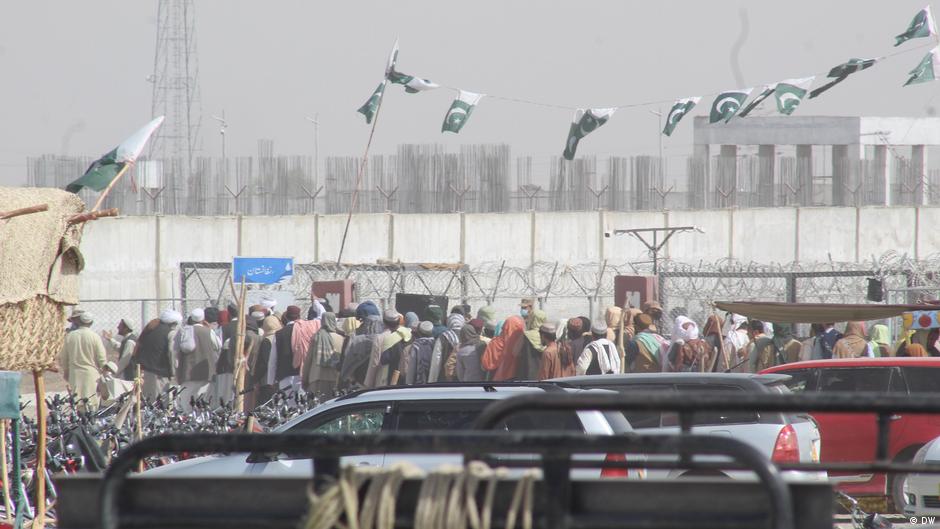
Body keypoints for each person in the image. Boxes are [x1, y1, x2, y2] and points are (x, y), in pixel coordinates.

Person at [59, 311, 108, 411]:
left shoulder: (70, 336)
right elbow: (102, 358)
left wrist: (66, 371)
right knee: (92, 404)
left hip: (75, 374)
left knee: (78, 404)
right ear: (91, 323)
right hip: (91, 375)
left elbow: (63, 357)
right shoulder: (95, 337)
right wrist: (105, 371)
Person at [176, 309, 219, 412]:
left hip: (188, 371)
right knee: (202, 401)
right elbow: (218, 345)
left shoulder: (184, 331)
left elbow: (176, 350)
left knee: (187, 402)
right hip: (206, 372)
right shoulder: (209, 331)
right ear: (203, 319)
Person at [134, 309, 181, 400]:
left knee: (148, 400)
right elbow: (172, 354)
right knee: (160, 402)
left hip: (146, 370)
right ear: (174, 323)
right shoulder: (170, 333)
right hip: (159, 373)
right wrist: (173, 372)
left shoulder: (153, 329)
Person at [339, 313, 385, 389]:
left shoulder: (357, 340)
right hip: (378, 382)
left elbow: (348, 361)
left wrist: (351, 378)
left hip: (358, 382)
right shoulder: (384, 340)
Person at [303, 312, 343, 396]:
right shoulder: (341, 338)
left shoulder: (317, 337)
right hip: (335, 379)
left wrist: (304, 379)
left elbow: (308, 361)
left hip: (317, 378)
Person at [251, 316, 283, 405]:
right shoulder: (281, 337)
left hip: (267, 382)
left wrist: (256, 380)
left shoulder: (266, 341)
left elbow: (264, 363)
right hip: (280, 380)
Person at [485, 316, 526, 381]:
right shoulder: (523, 344)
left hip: (495, 379)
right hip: (517, 379)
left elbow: (486, 363)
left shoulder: (495, 343)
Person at [274, 306, 303, 393]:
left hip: (284, 376)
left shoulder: (279, 334)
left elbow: (273, 359)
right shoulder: (304, 331)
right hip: (300, 375)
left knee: (286, 403)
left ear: (286, 316)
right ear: (299, 316)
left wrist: (271, 380)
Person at [514, 309, 547, 380]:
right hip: (544, 375)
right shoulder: (548, 335)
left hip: (527, 374)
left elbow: (515, 352)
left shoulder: (525, 335)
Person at [430, 313, 464, 382]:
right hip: (462, 379)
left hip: (444, 378)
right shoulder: (469, 336)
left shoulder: (443, 337)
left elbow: (436, 360)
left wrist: (432, 381)